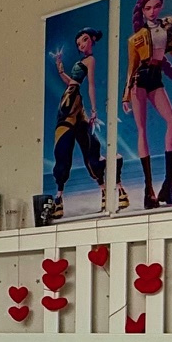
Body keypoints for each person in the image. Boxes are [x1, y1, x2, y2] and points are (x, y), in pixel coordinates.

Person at [121, 0, 172, 207]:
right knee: (142, 130)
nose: (152, 11)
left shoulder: (167, 27)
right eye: (148, 8)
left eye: (156, 6)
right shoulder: (135, 39)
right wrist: (125, 95)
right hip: (139, 80)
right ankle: (148, 188)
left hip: (156, 78)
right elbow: (131, 68)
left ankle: (168, 185)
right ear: (142, 10)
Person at [49, 27, 106, 211]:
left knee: (89, 145)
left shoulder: (90, 60)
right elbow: (71, 82)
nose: (81, 45)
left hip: (74, 102)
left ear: (92, 40)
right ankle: (59, 196)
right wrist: (60, 68)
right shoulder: (81, 62)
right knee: (63, 148)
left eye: (84, 40)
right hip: (68, 100)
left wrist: (94, 110)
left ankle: (104, 189)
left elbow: (91, 85)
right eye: (79, 43)